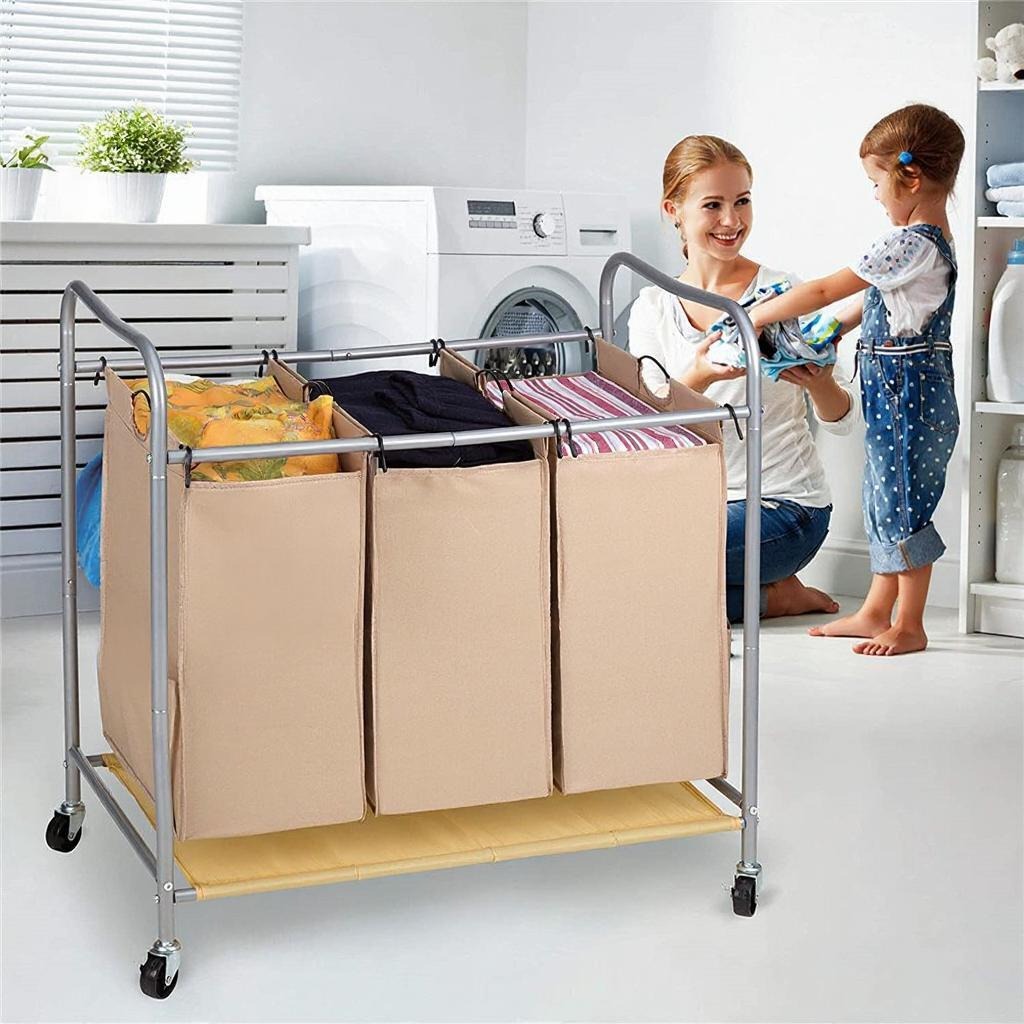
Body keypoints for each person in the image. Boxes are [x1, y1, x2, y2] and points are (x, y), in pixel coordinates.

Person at [751, 104, 965, 656]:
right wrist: (829, 333)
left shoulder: (909, 241)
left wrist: (754, 317)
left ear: (909, 176)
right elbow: (870, 303)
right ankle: (874, 611)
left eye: (875, 182)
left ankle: (910, 624)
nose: (874, 195)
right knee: (881, 496)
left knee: (903, 504)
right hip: (900, 388)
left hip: (908, 392)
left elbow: (827, 289)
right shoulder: (926, 242)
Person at [629, 134, 861, 625]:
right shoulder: (653, 306)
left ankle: (772, 588)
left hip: (784, 510)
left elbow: (841, 421)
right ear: (674, 209)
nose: (732, 221)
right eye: (712, 205)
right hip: (690, 504)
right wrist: (698, 375)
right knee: (622, 567)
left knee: (644, 572)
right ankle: (770, 598)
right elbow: (647, 426)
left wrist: (818, 382)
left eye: (742, 201)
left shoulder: (780, 294)